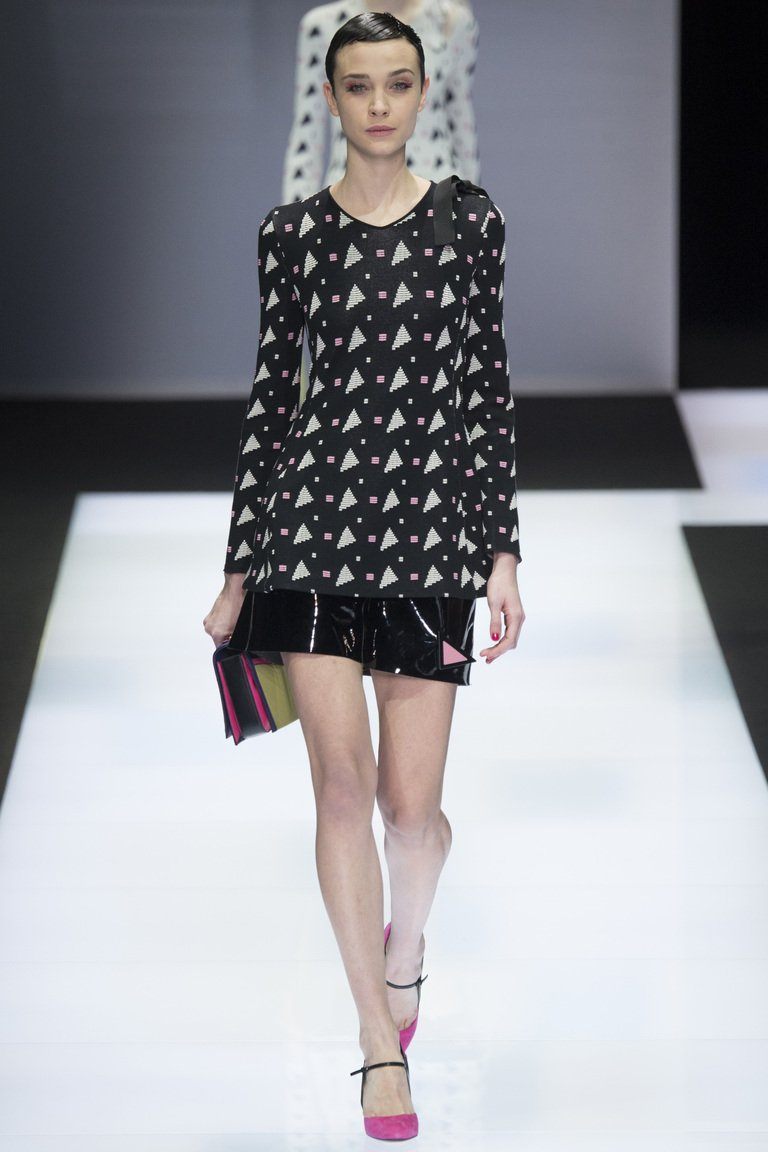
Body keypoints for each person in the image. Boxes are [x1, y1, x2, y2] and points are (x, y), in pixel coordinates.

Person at [204, 11, 524, 1140]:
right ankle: (378, 1045)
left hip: (429, 541)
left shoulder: (470, 224)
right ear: (331, 97)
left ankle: (408, 946)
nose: (379, 104)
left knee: (410, 812)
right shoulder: (289, 234)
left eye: (397, 83)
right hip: (310, 537)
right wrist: (239, 567)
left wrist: (502, 551)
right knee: (341, 793)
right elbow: (269, 401)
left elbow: (484, 388)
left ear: (423, 92)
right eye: (359, 85)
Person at [282, 0, 481, 205]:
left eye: (401, 85)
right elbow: (307, 135)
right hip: (348, 199)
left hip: (441, 198)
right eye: (357, 87)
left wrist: (473, 207)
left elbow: (461, 123)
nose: (379, 107)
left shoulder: (452, 20)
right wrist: (297, 219)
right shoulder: (322, 24)